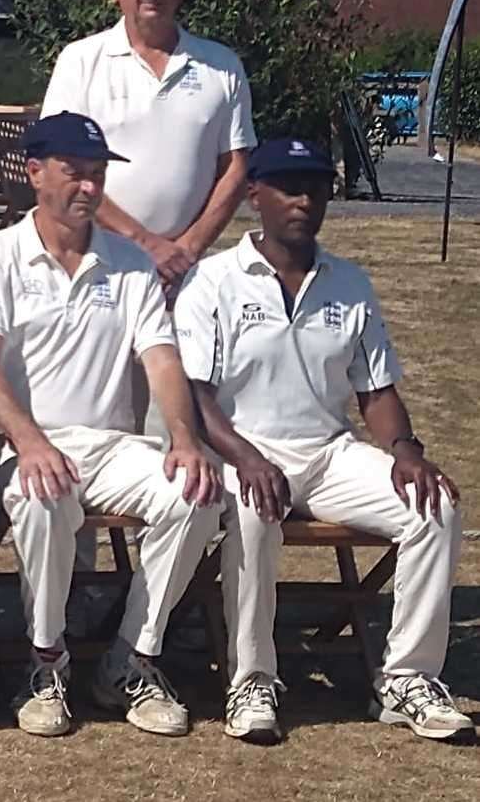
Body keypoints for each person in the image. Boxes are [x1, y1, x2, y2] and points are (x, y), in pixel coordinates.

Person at [175, 137, 470, 743]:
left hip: (328, 453)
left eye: (315, 187)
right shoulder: (214, 280)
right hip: (240, 450)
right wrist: (246, 457)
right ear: (254, 195)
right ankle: (251, 680)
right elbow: (196, 399)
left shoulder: (349, 283)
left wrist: (407, 452)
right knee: (255, 513)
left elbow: (376, 390)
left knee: (435, 507)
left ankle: (407, 679)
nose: (302, 199)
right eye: (287, 186)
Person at [0, 112, 223, 739]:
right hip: (23, 446)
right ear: (35, 173)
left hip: (112, 447)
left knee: (195, 495)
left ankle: (131, 659)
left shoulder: (130, 264)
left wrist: (184, 439)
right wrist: (30, 441)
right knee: (44, 492)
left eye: (97, 176)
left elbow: (161, 359)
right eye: (75, 173)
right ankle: (44, 663)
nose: (88, 188)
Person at [39, 0, 255, 292]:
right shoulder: (80, 61)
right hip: (97, 258)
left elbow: (235, 166)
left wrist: (187, 248)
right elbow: (60, 165)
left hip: (186, 271)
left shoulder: (221, 65)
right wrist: (144, 243)